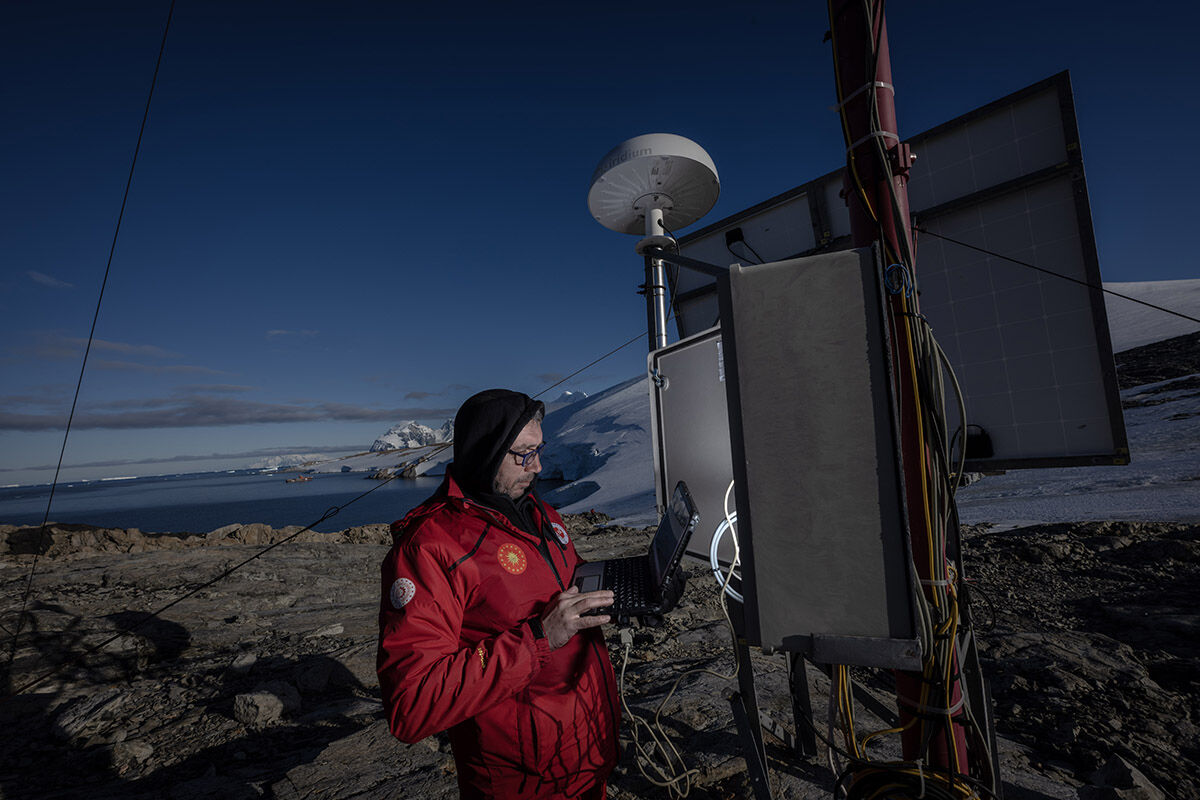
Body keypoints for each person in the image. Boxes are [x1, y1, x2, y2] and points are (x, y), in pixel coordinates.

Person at [377, 389, 620, 799]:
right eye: (523, 454)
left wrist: (632, 590)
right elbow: (412, 705)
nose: (538, 466)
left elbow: (562, 585)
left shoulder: (538, 512)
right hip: (521, 781)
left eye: (539, 450)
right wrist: (539, 639)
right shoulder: (431, 548)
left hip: (588, 756)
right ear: (485, 453)